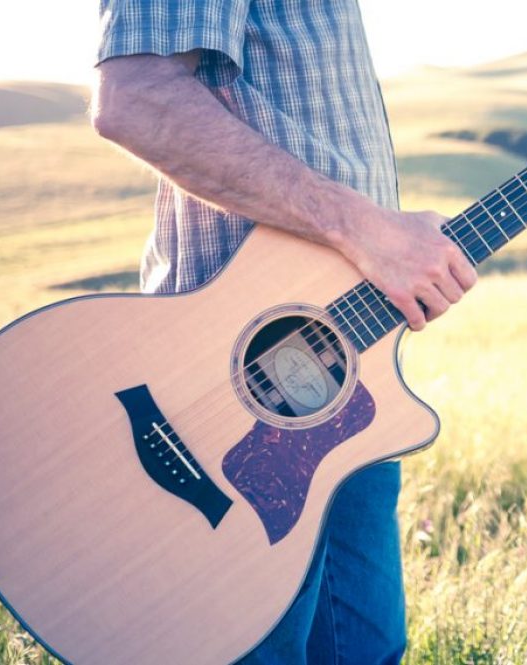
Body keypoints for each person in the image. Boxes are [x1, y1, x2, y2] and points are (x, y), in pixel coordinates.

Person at [91, 1, 477, 662]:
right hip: (212, 402)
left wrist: (397, 263)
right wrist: (367, 230)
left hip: (342, 389)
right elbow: (135, 97)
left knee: (366, 649)